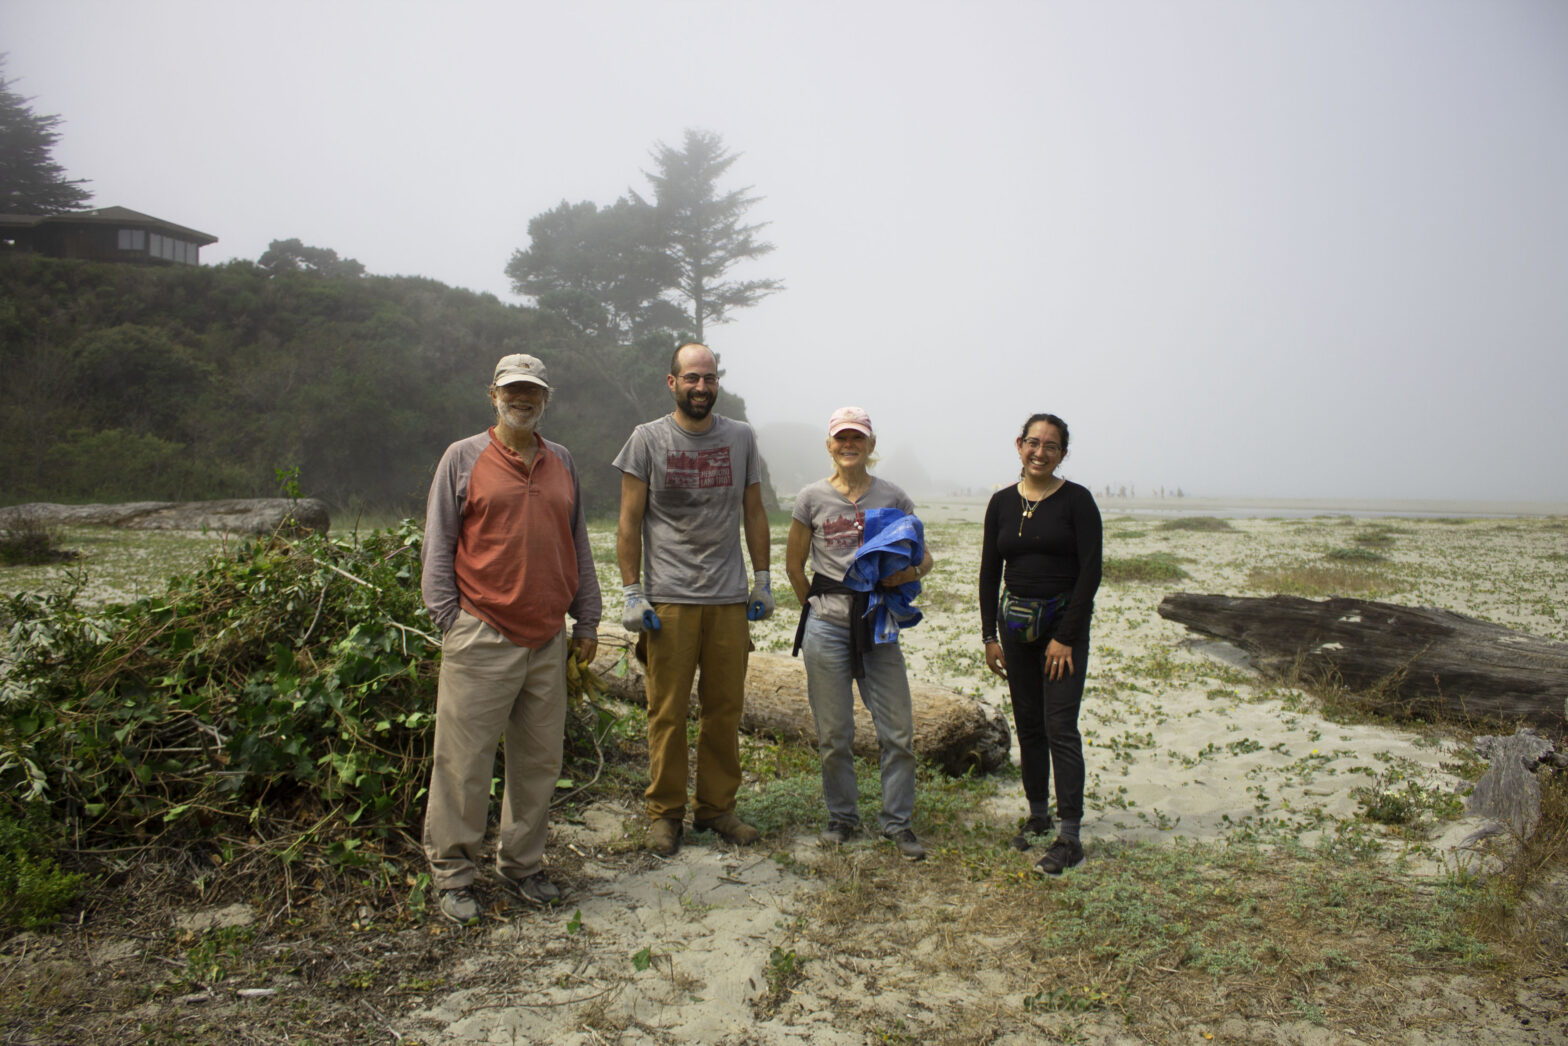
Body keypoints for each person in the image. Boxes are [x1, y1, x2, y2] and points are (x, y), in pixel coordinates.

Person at [420, 353, 601, 924]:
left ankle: (522, 866)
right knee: (463, 763)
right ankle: (453, 874)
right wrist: (450, 619)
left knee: (538, 763)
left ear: (545, 399)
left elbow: (578, 545)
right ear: (492, 395)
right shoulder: (463, 458)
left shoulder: (562, 461)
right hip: (481, 634)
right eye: (513, 389)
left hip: (547, 639)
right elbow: (438, 545)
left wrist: (587, 620)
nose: (523, 398)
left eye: (533, 391)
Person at [614, 342, 774, 856]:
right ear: (672, 382)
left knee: (725, 709)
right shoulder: (647, 440)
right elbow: (629, 520)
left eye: (709, 378)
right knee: (667, 711)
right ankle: (665, 814)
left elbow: (754, 511)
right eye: (691, 378)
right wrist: (633, 592)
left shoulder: (742, 439)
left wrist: (764, 580)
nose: (701, 387)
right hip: (669, 601)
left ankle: (716, 809)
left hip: (728, 599)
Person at [786, 407, 933, 860]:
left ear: (871, 446)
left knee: (898, 732)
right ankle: (842, 818)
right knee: (834, 734)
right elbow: (794, 564)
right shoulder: (811, 498)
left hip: (879, 627)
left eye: (858, 438)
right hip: (826, 627)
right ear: (830, 445)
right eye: (841, 438)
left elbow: (923, 558)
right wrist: (815, 603)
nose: (849, 445)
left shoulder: (893, 496)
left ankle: (897, 823)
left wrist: (903, 574)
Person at [979, 412, 1102, 875]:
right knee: (1029, 723)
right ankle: (1037, 814)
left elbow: (1090, 573)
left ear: (1063, 454)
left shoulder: (1077, 502)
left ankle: (1069, 833)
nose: (1040, 452)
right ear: (1018, 445)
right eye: (1033, 443)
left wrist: (1066, 638)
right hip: (1014, 629)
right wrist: (990, 635)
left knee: (1060, 725)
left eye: (1051, 446)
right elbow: (991, 571)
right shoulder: (1002, 503)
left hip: (1060, 628)